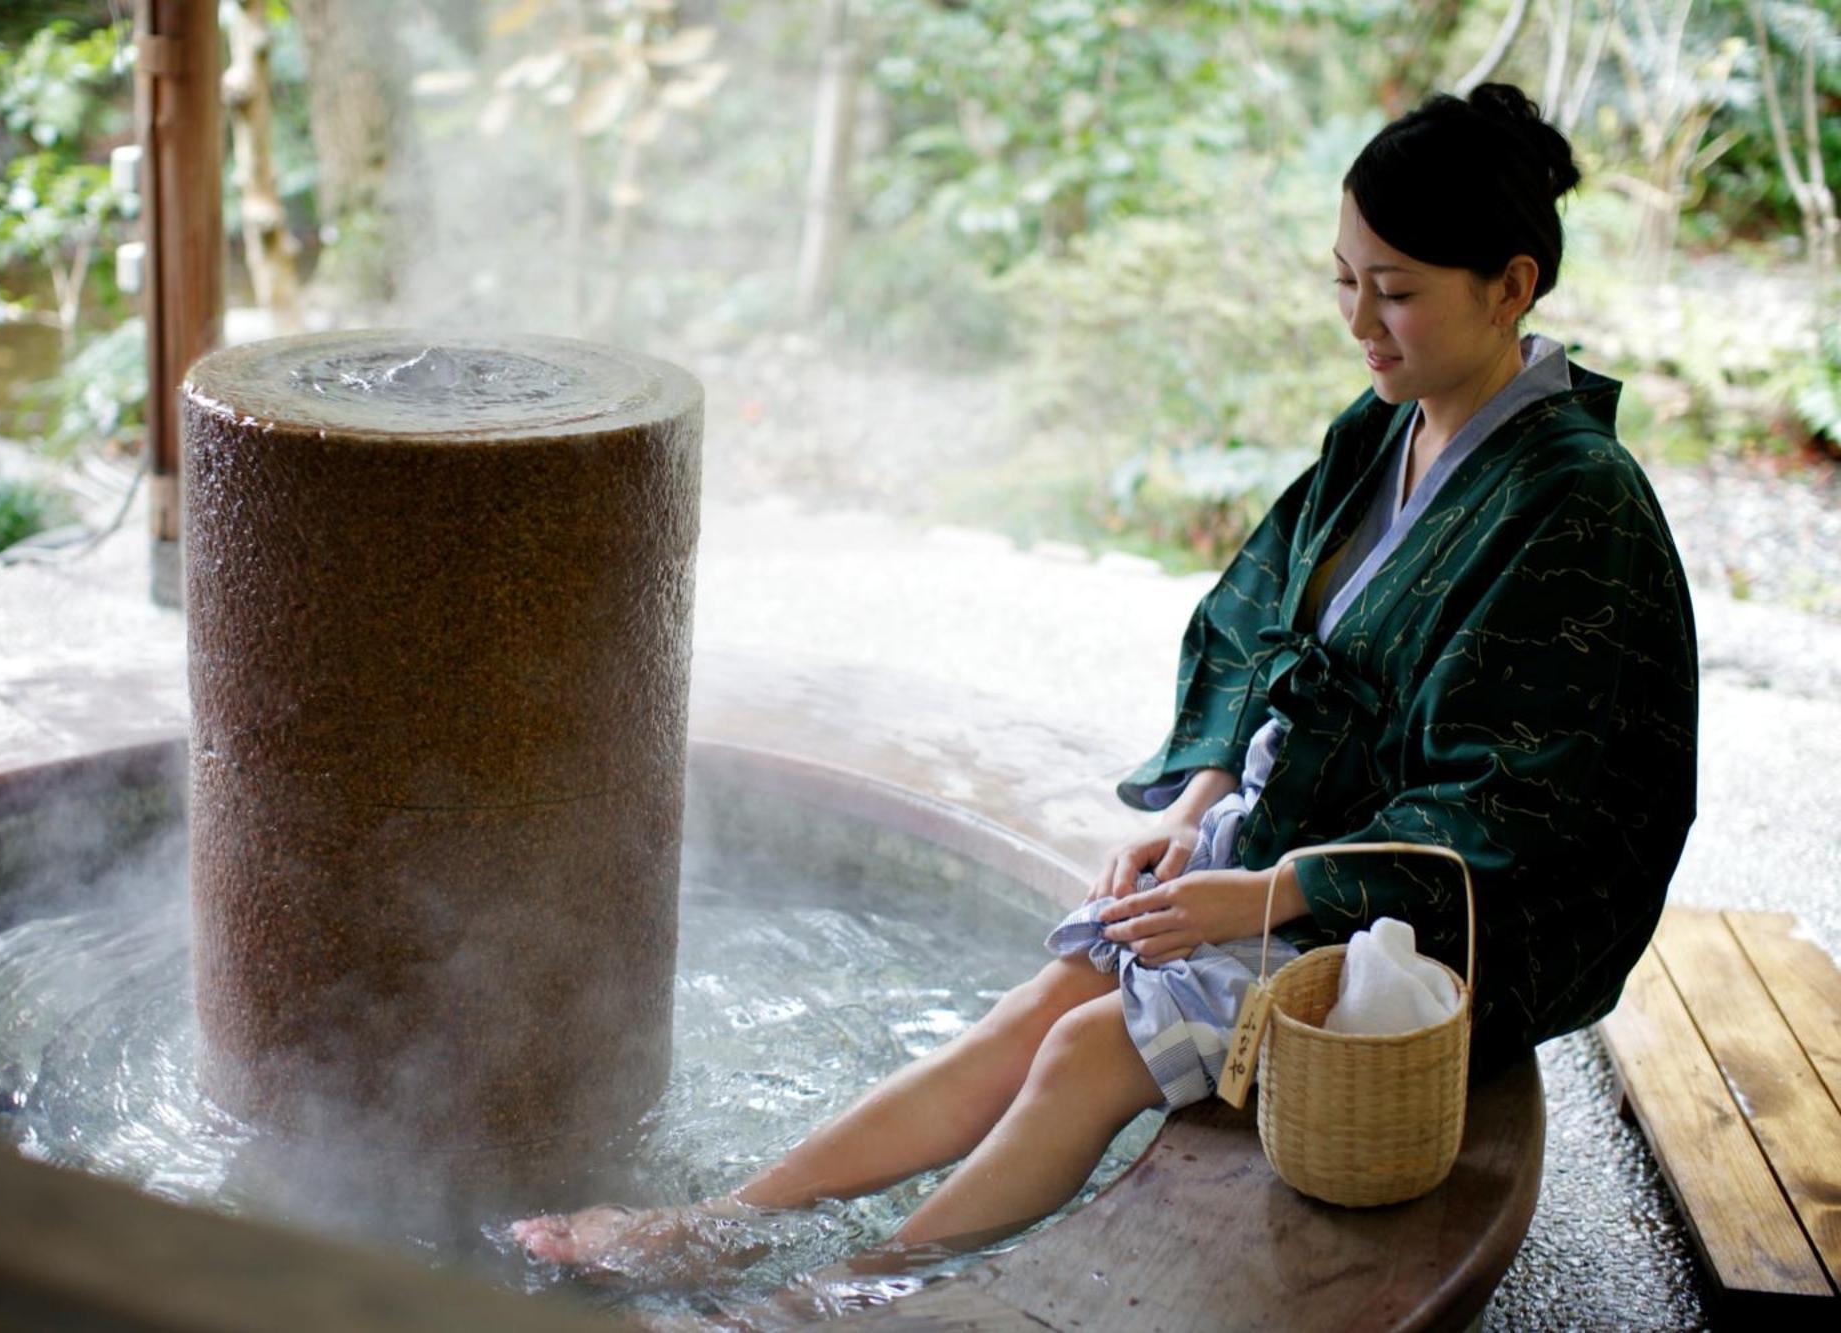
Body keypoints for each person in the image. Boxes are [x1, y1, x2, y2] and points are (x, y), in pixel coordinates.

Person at [512, 81, 1699, 1280]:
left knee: (1086, 1050)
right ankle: (718, 1226)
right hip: (1295, 852)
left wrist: (1263, 897)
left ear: (1509, 285)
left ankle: (843, 1297)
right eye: (1341, 279)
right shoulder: (1385, 427)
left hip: (1417, 920)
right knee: (1053, 993)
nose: (1357, 322)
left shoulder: (1572, 506)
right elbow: (1255, 624)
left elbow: (1517, 813)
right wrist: (1195, 818)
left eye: (1393, 292)